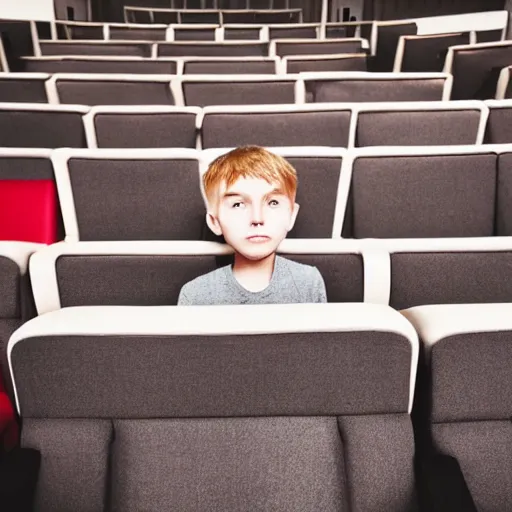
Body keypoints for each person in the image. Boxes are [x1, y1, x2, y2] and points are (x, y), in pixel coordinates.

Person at [178, 146, 327, 305]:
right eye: (238, 205)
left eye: (273, 202)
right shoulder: (195, 295)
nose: (257, 218)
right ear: (214, 222)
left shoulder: (309, 281)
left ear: (291, 215)